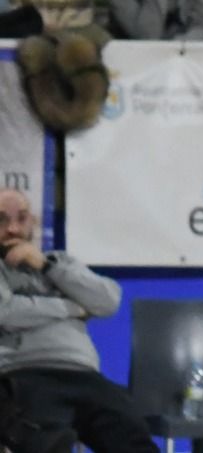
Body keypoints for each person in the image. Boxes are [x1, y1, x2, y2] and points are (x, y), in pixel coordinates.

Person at [0, 187, 149, 453]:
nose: (12, 229)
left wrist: (45, 265)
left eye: (21, 218)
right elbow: (7, 312)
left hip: (83, 374)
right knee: (45, 442)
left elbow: (108, 300)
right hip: (23, 374)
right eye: (1, 220)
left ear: (33, 222)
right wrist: (72, 307)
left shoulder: (60, 263)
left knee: (132, 435)